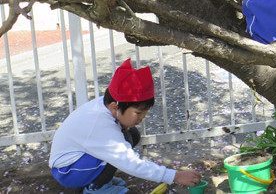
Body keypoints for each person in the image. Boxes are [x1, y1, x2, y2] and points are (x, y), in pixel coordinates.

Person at [49, 59, 201, 193]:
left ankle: (98, 181)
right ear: (115, 107)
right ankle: (95, 189)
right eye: (138, 113)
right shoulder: (101, 126)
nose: (143, 117)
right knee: (122, 145)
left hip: (77, 160)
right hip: (68, 171)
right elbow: (130, 162)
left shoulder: (105, 105)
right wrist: (174, 176)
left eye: (145, 112)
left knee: (131, 135)